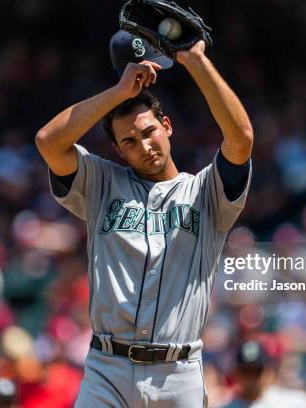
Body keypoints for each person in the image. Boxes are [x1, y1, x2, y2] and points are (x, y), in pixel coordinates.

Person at [35, 29, 253, 407]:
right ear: (119, 151)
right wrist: (120, 92)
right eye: (130, 142)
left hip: (178, 371)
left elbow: (241, 138)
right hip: (107, 369)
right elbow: (48, 141)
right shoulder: (103, 182)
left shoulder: (205, 192)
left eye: (149, 131)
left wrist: (196, 62)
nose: (144, 146)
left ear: (166, 127)